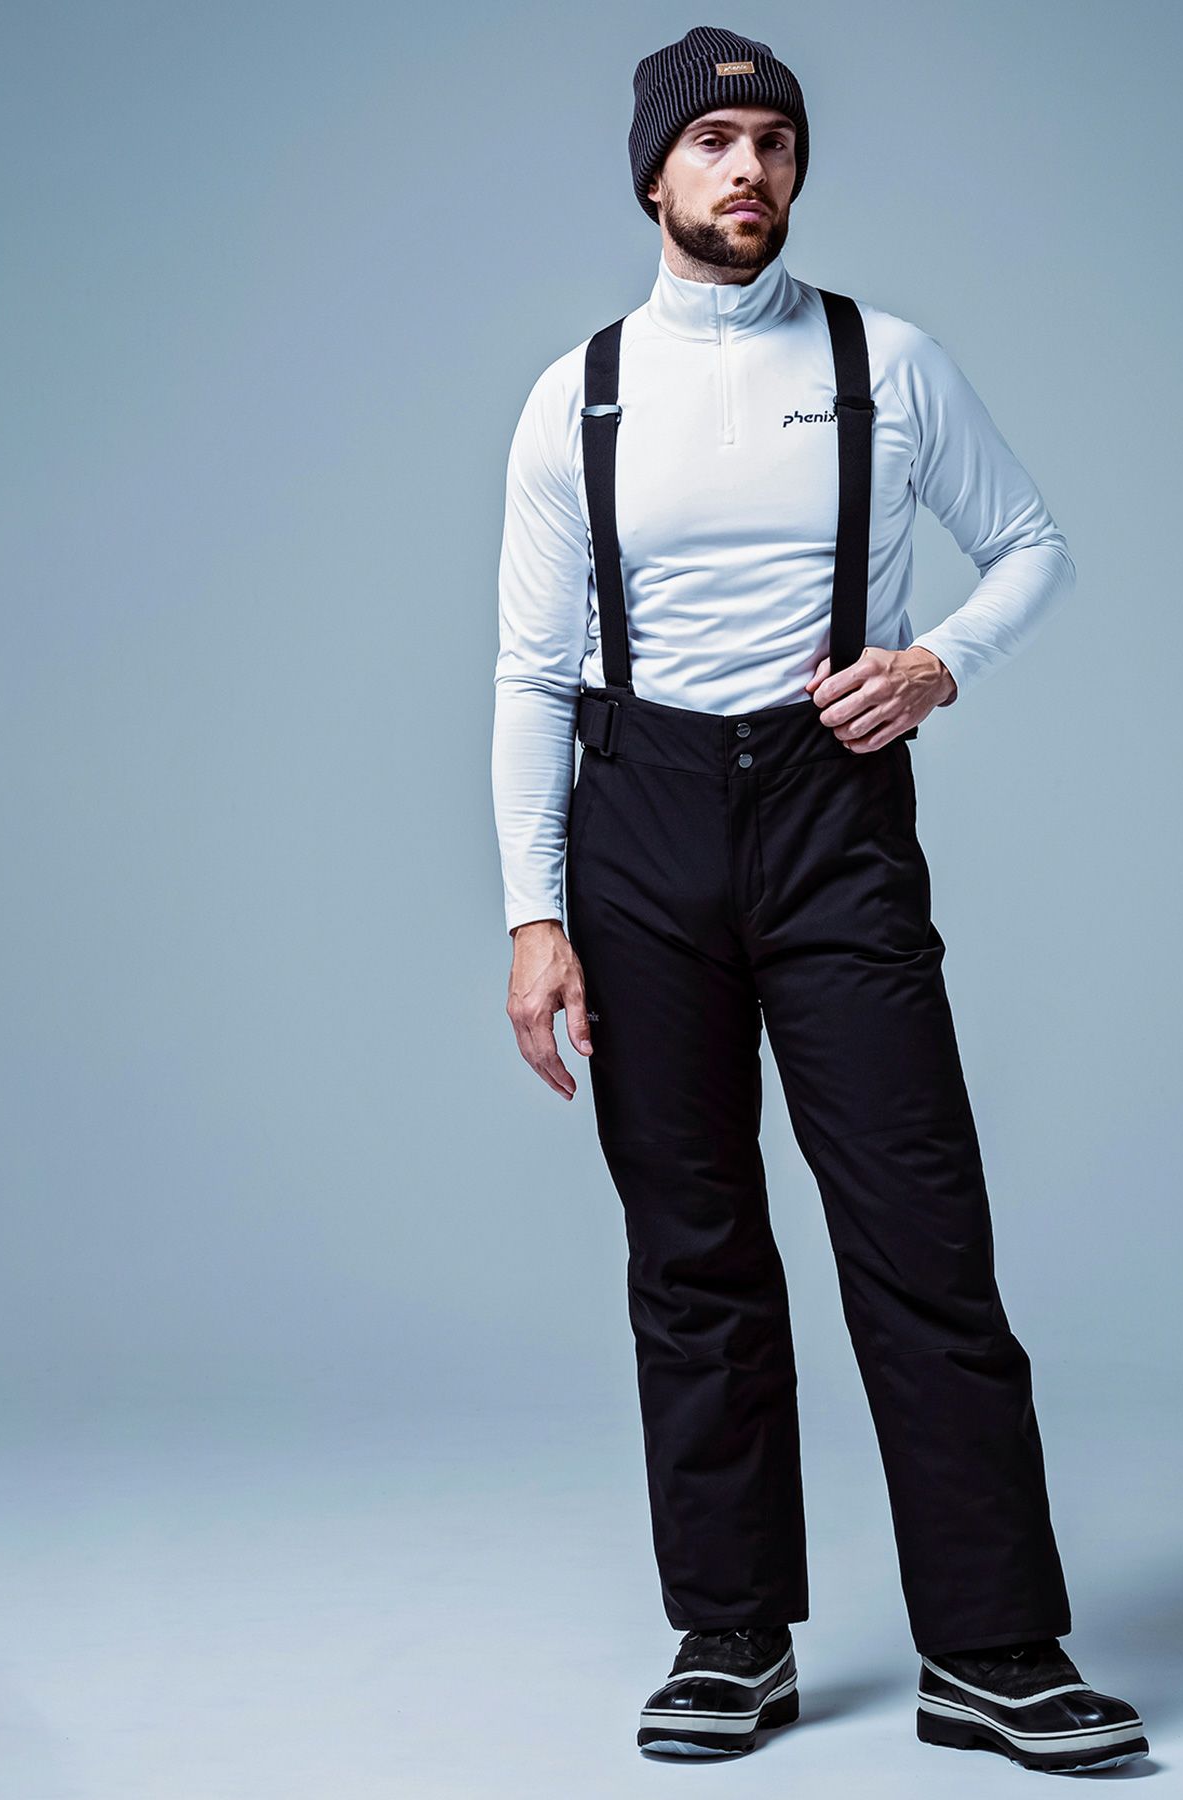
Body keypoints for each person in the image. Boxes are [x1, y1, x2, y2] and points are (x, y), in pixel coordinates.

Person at [491, 24, 1148, 1775]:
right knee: (690, 1245)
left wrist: (937, 664)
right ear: (654, 173)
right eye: (715, 141)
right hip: (638, 820)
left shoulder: (887, 362)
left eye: (775, 140)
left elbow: (1034, 546)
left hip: (832, 814)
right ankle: (731, 1637)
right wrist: (534, 916)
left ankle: (993, 1652)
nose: (750, 169)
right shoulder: (579, 395)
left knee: (922, 1234)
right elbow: (531, 673)